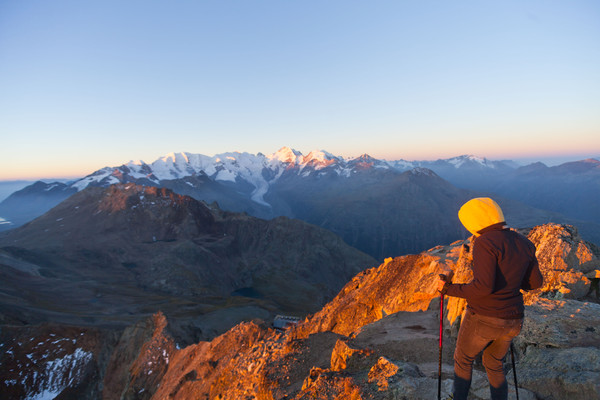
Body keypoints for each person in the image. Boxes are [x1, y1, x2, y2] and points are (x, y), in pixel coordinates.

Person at [437, 197, 543, 400]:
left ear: (474, 221)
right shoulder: (525, 243)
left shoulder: (485, 242)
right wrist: (511, 280)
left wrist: (448, 289)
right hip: (514, 320)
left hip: (484, 317)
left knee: (463, 359)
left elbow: (483, 288)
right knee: (493, 362)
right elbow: (535, 283)